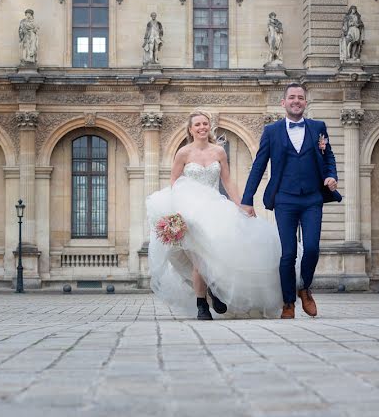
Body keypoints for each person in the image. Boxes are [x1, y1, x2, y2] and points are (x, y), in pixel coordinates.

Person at [146, 110, 283, 320]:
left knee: (218, 255)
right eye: (197, 125)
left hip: (215, 208)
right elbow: (174, 181)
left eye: (205, 124)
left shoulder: (219, 152)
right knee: (200, 261)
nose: (202, 127)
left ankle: (213, 290)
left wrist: (243, 204)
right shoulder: (183, 153)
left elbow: (227, 181)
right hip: (191, 211)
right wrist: (176, 210)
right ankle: (202, 305)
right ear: (191, 129)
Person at [241, 83, 341, 319]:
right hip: (284, 199)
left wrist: (331, 176)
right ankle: (288, 303)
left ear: (306, 103)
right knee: (288, 254)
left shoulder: (318, 127)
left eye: (300, 98)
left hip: (312, 198)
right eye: (292, 97)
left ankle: (304, 288)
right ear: (283, 103)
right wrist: (247, 199)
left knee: (313, 248)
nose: (296, 101)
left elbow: (329, 157)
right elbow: (259, 166)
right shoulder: (272, 131)